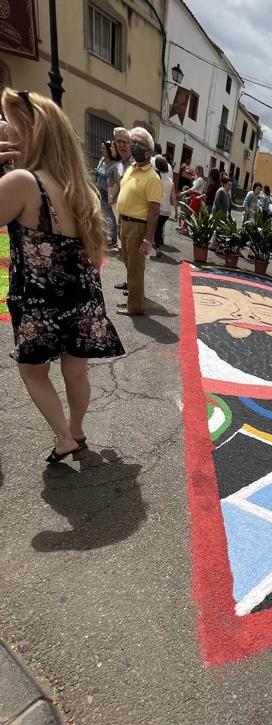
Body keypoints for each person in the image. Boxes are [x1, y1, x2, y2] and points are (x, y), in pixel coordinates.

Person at [0, 88, 124, 462]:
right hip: (83, 298)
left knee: (33, 372)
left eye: (9, 122)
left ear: (29, 131)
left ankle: (64, 437)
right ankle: (77, 430)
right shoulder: (81, 190)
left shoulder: (23, 182)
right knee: (76, 372)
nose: (3, 129)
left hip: (39, 300)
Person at [115, 126, 162, 316]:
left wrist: (147, 239)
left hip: (138, 227)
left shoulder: (152, 177)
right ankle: (133, 300)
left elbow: (154, 212)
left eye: (140, 143)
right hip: (126, 224)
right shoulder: (131, 169)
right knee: (129, 266)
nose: (134, 146)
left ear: (150, 151)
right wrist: (119, 224)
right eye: (132, 141)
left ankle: (135, 306)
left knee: (135, 269)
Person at [110, 127, 133, 249]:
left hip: (136, 217)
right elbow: (119, 184)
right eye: (118, 141)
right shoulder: (118, 166)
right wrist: (112, 195)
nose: (121, 145)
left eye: (125, 142)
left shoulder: (138, 164)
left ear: (131, 144)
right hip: (123, 212)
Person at [94, 140, 118, 248]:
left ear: (108, 150)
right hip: (98, 192)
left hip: (107, 194)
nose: (101, 150)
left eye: (104, 148)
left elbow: (114, 182)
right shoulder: (101, 160)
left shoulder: (114, 165)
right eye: (101, 148)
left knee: (110, 216)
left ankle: (114, 239)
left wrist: (111, 195)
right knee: (101, 215)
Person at [154, 155, 176, 258]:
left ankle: (156, 246)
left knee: (156, 227)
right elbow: (173, 198)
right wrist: (176, 212)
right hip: (167, 211)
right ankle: (156, 245)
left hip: (158, 208)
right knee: (159, 227)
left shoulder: (156, 178)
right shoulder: (171, 182)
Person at [177, 164, 205, 229]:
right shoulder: (198, 179)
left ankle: (184, 227)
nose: (195, 170)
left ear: (199, 171)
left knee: (189, 212)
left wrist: (183, 193)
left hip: (196, 197)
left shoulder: (200, 179)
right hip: (194, 197)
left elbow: (193, 189)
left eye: (196, 169)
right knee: (196, 215)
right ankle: (200, 229)